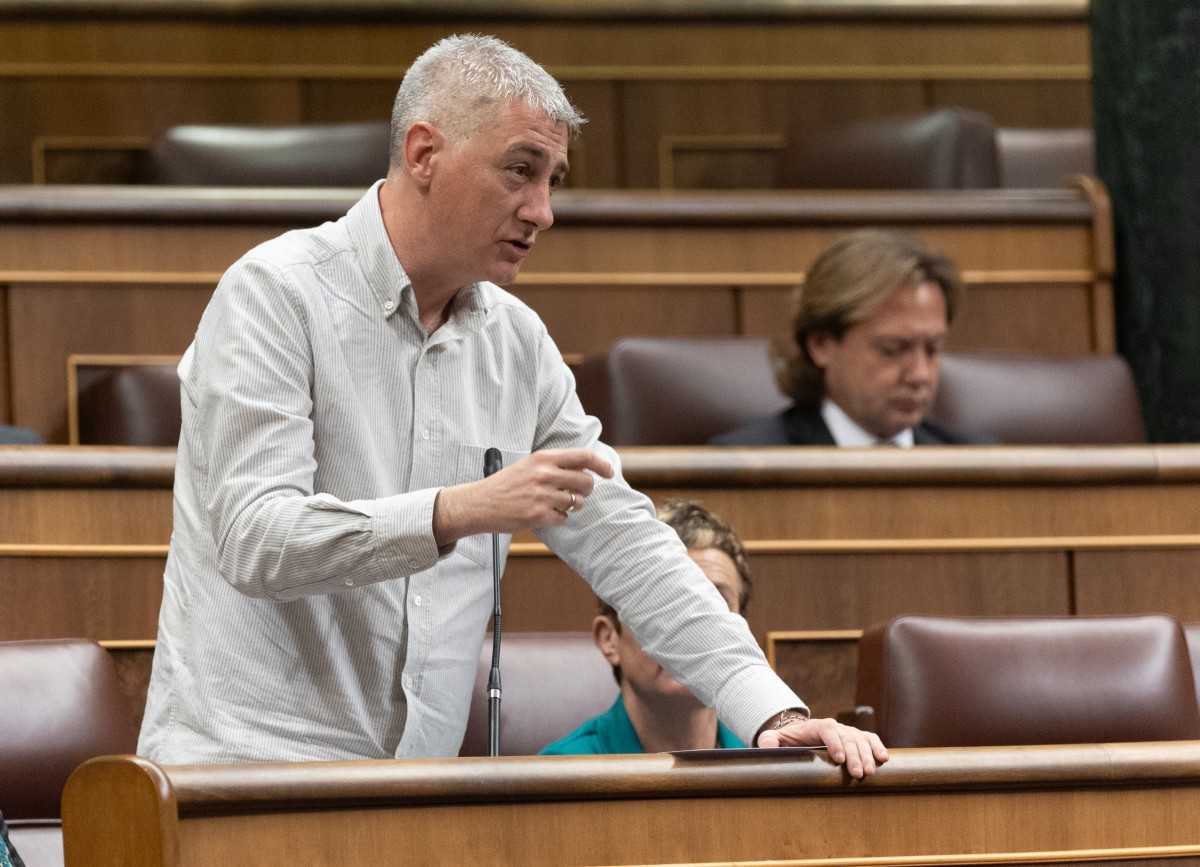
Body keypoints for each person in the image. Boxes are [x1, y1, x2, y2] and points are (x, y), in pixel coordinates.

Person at [137, 34, 887, 777]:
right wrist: (457, 509)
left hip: (409, 792)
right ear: (425, 153)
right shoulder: (275, 293)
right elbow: (254, 536)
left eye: (553, 179)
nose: (544, 210)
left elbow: (624, 539)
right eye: (520, 172)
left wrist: (770, 712)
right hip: (242, 777)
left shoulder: (517, 343)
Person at [711, 229, 991, 447]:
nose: (920, 375)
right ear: (821, 344)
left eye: (932, 350)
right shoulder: (749, 465)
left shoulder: (982, 465)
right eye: (893, 349)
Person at [542, 500, 759, 755]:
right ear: (609, 638)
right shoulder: (561, 774)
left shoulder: (772, 761)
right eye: (664, 603)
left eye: (716, 606)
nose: (693, 627)